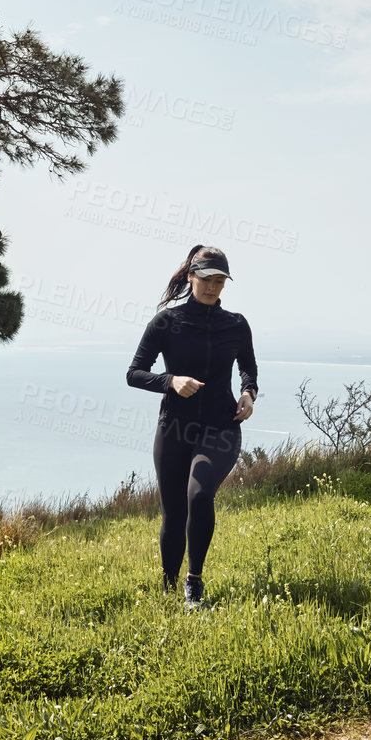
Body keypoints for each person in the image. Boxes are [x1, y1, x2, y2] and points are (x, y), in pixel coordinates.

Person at [125, 244, 258, 608]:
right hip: (174, 429)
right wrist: (171, 381)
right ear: (190, 277)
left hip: (221, 426)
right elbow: (134, 373)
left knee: (199, 495)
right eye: (206, 279)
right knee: (174, 512)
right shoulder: (166, 322)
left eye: (219, 280)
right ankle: (168, 586)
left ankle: (193, 583)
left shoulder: (236, 324)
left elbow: (248, 365)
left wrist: (249, 393)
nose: (212, 287)